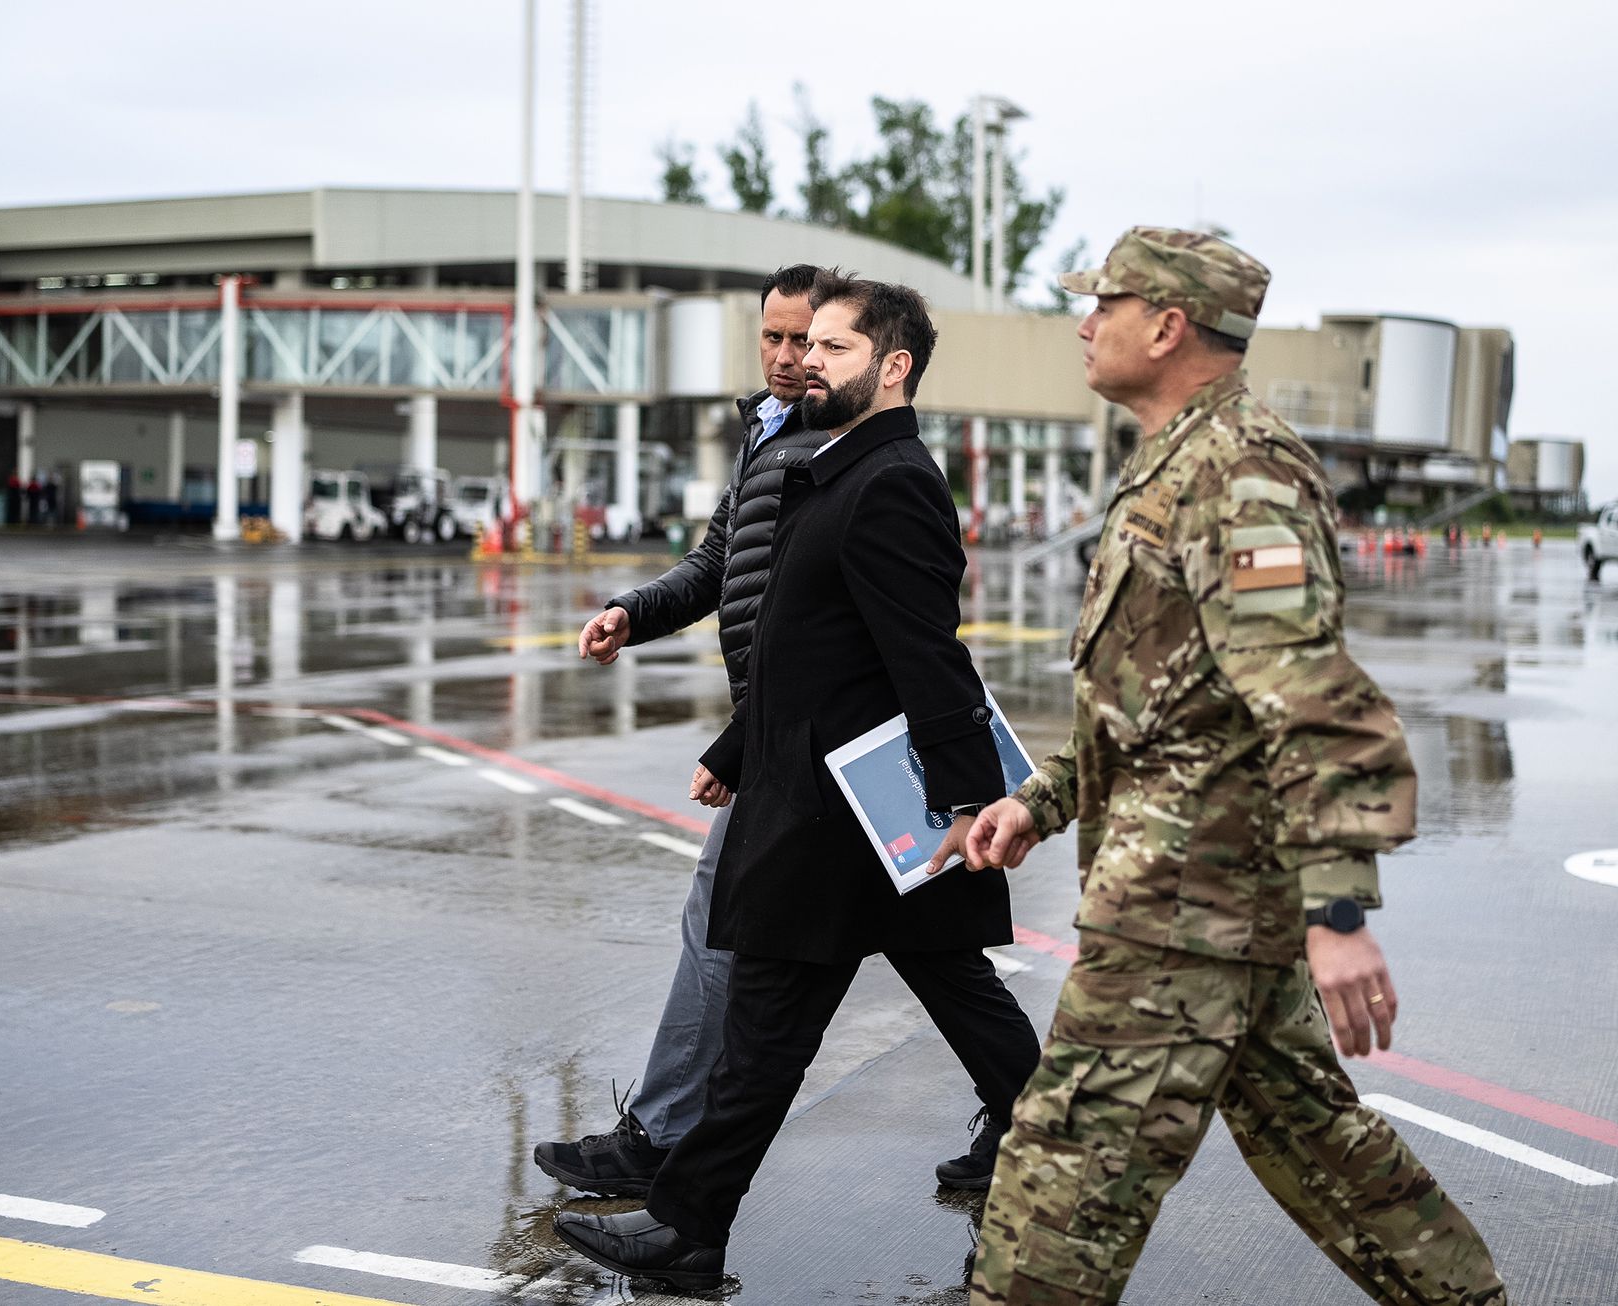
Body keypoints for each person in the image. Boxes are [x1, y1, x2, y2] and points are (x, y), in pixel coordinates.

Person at [958, 228, 1507, 1305]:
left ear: (1166, 326)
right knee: (1322, 1148)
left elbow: (1310, 693)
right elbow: (1164, 699)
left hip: (1181, 913)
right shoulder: (1177, 461)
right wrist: (1042, 798)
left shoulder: (1237, 473)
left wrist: (1339, 915)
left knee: (1056, 1188)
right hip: (1204, 900)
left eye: (1103, 303)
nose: (1083, 322)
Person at [555, 274, 1040, 1292]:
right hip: (826, 799)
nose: (804, 360)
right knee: (856, 1013)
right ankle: (693, 1225)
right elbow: (810, 646)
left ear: (892, 365)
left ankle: (687, 1224)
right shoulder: (831, 468)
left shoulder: (891, 479)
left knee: (772, 1032)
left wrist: (963, 804)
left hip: (847, 813)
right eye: (803, 343)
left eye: (830, 347)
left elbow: (925, 658)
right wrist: (736, 751)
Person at [533, 264, 835, 1198]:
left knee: (717, 922)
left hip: (804, 737)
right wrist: (634, 609)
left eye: (805, 342)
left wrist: (741, 742)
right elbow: (719, 561)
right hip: (787, 731)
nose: (787, 360)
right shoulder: (768, 429)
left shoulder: (838, 444)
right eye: (773, 339)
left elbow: (811, 620)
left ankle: (665, 1146)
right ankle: (1017, 1114)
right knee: (940, 960)